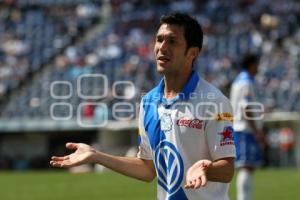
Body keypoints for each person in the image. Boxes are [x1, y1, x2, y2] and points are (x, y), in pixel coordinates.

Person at [50, 12, 236, 200]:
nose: (162, 47)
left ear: (192, 53)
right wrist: (96, 156)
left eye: (172, 41)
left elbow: (227, 170)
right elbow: (148, 169)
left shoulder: (215, 101)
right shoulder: (148, 102)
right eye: (159, 40)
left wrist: (206, 169)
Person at [230, 54, 264, 200]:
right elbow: (246, 108)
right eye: (257, 64)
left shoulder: (240, 80)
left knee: (248, 166)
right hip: (244, 129)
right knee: (246, 166)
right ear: (251, 64)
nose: (258, 67)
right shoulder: (246, 82)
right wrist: (257, 131)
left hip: (242, 128)